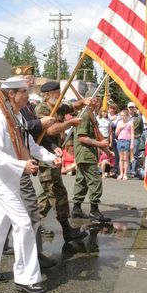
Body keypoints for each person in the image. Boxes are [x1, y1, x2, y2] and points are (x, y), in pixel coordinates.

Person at [0, 76, 61, 293]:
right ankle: (26, 278)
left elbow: (29, 144)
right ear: (12, 94)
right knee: (23, 224)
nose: (28, 95)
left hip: (12, 179)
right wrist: (22, 165)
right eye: (24, 91)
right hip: (2, 181)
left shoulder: (17, 116)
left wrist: (51, 157)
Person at [35, 81, 90, 241]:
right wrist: (69, 123)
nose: (60, 96)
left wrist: (84, 102)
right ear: (47, 95)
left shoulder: (58, 106)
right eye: (57, 93)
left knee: (46, 195)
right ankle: (67, 230)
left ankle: (33, 224)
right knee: (58, 194)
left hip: (55, 158)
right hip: (46, 158)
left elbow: (73, 106)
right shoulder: (42, 109)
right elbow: (50, 129)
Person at [71, 89, 112, 221]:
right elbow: (82, 137)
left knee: (82, 181)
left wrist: (106, 151)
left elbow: (96, 134)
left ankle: (76, 208)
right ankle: (94, 209)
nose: (99, 102)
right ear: (90, 99)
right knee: (95, 179)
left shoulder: (91, 114)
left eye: (99, 99)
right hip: (85, 153)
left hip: (88, 154)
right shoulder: (84, 114)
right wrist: (100, 145)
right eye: (96, 98)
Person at [115, 109, 134, 180]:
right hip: (120, 140)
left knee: (126, 158)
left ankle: (125, 174)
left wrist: (132, 144)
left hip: (127, 140)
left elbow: (132, 133)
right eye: (121, 115)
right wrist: (120, 128)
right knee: (121, 158)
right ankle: (121, 173)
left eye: (124, 115)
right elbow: (116, 133)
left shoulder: (130, 123)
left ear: (127, 116)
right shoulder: (119, 122)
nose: (122, 117)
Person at [127, 102, 144, 177]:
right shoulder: (125, 116)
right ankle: (127, 170)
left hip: (136, 137)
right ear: (127, 108)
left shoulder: (138, 118)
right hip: (127, 137)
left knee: (134, 155)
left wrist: (138, 135)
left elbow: (141, 128)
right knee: (126, 154)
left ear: (134, 108)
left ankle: (133, 171)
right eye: (130, 107)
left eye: (132, 107)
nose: (131, 109)